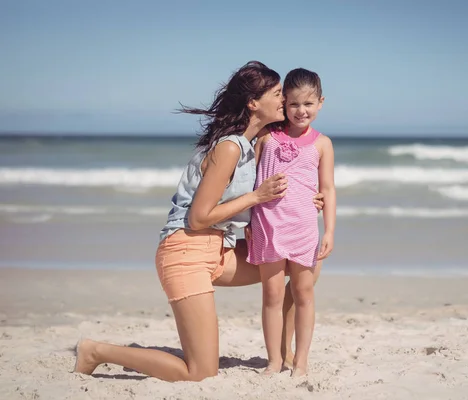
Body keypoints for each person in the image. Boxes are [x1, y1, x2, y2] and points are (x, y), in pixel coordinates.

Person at [73, 61, 324, 382]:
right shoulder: (230, 147)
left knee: (303, 262)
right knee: (200, 372)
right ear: (253, 103)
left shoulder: (251, 143)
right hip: (185, 253)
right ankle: (96, 351)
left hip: (218, 250)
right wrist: (256, 197)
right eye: (278, 94)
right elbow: (198, 217)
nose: (284, 100)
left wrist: (314, 199)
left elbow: (291, 166)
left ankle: (286, 356)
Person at [247, 68, 336, 377]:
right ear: (284, 102)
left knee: (303, 294)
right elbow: (248, 182)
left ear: (321, 102)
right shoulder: (267, 137)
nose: (301, 111)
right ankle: (273, 361)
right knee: (271, 296)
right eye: (294, 104)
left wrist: (330, 230)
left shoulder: (322, 143)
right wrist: (244, 220)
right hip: (267, 226)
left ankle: (301, 361)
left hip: (303, 229)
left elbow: (328, 189)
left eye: (309, 104)